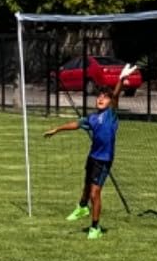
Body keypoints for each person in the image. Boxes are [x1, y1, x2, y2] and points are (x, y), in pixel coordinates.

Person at [44, 63, 137, 239]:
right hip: (92, 157)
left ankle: (95, 228)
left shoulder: (111, 114)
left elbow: (116, 95)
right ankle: (81, 207)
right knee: (87, 187)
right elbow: (76, 124)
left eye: (105, 97)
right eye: (99, 97)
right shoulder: (93, 118)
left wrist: (121, 79)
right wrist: (57, 129)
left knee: (95, 193)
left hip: (104, 160)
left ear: (110, 102)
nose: (101, 99)